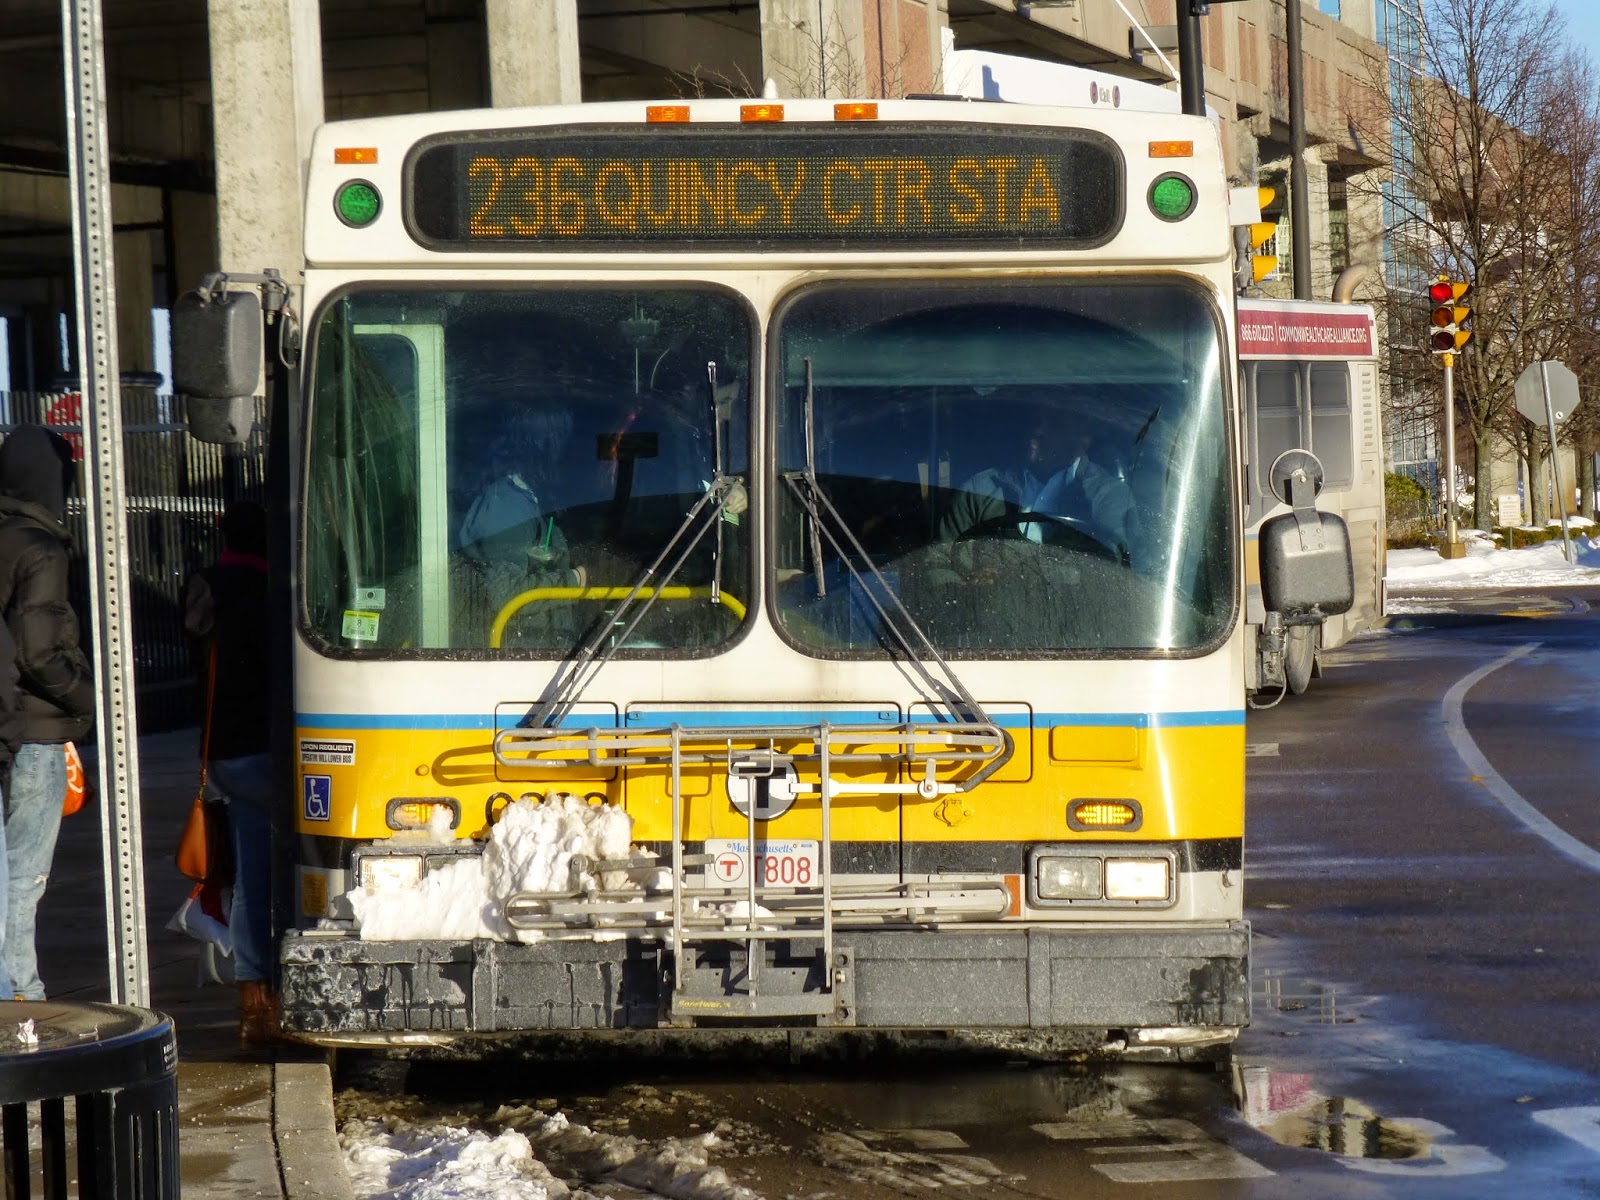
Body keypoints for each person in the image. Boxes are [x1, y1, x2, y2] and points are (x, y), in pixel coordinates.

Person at [0, 425, 95, 1001]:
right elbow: (39, 650)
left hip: (7, 722)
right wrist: (88, 698)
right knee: (24, 875)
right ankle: (20, 992)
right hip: (36, 730)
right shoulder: (43, 549)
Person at [184, 500, 276, 1046]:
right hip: (265, 752)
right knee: (283, 875)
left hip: (224, 753)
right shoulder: (269, 596)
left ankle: (252, 1001)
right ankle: (273, 996)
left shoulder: (206, 590)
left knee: (249, 880)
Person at [937, 408, 1137, 571]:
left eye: (1056, 425)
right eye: (1034, 422)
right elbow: (940, 565)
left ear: (1083, 442)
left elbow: (1125, 578)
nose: (1038, 431)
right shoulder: (979, 490)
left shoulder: (1108, 497)